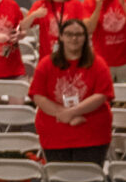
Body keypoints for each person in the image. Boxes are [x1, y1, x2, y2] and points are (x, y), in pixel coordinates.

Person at [31, 20, 114, 163]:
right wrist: (63, 114)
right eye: (69, 34)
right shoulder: (46, 64)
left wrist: (70, 113)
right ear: (61, 37)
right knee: (60, 181)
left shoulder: (98, 63)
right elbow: (38, 96)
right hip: (55, 134)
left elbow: (101, 95)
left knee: (87, 181)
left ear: (86, 38)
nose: (74, 38)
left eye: (79, 34)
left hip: (91, 133)